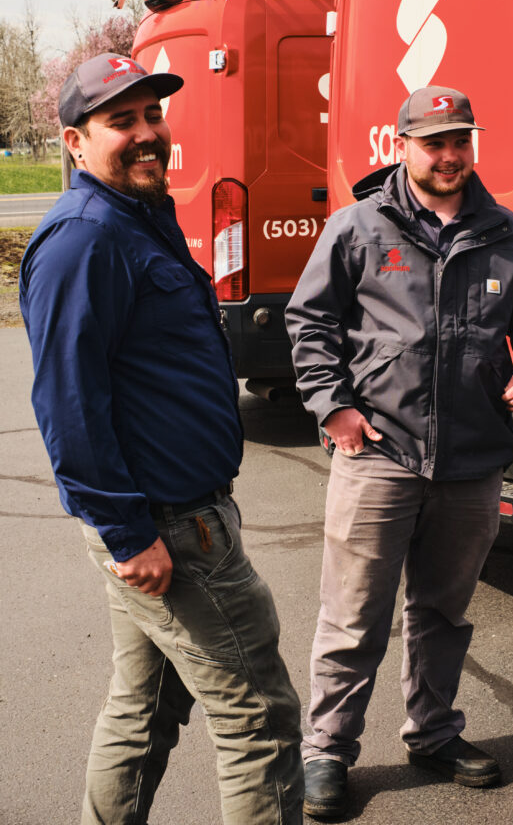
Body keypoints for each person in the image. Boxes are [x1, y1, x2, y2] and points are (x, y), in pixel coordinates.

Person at [20, 53, 304, 825]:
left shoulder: (140, 213)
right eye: (122, 121)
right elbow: (69, 405)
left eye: (153, 115)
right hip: (168, 531)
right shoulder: (85, 240)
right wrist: (127, 533)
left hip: (178, 519)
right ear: (76, 142)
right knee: (261, 720)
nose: (147, 134)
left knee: (144, 709)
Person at [285, 85, 513, 820]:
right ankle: (326, 753)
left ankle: (433, 734)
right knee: (352, 618)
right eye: (433, 141)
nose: (448, 155)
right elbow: (309, 323)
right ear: (400, 146)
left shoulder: (506, 231)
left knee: (443, 613)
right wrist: (335, 407)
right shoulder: (358, 228)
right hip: (378, 454)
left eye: (459, 140)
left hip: (472, 461)